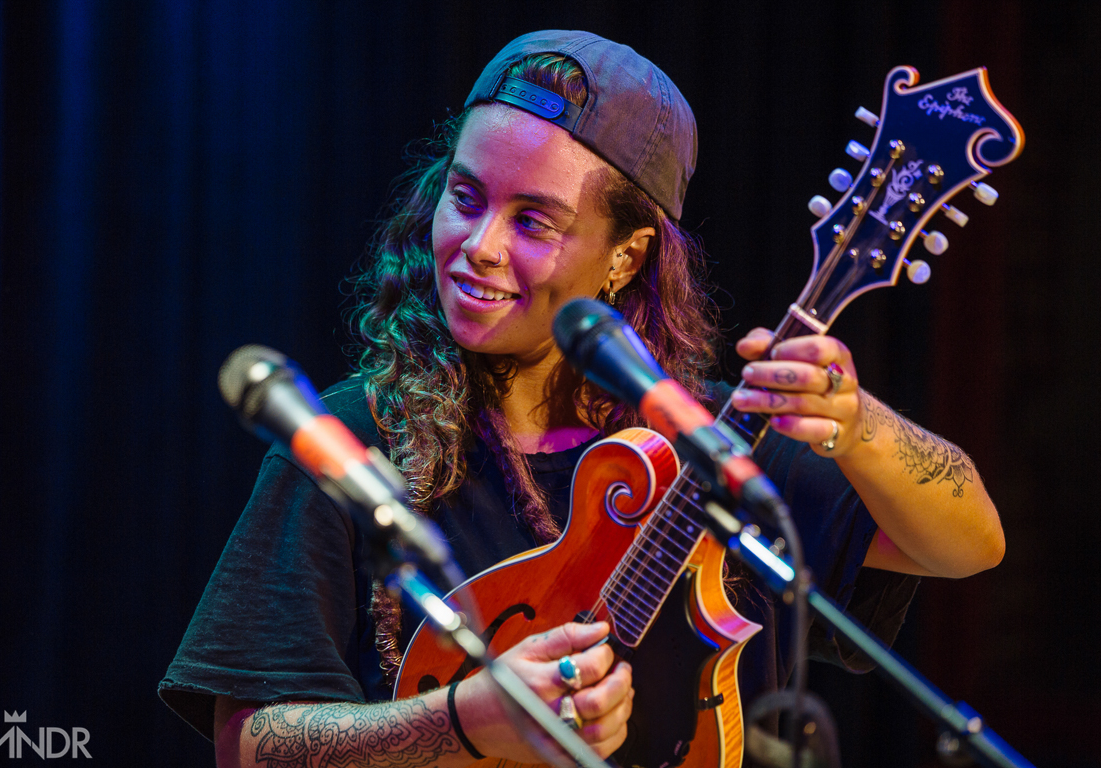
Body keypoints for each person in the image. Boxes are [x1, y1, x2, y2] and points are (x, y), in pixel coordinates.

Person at [160, 30, 1005, 768]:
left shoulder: (710, 446)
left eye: (534, 221)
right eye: (465, 197)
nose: (479, 248)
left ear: (626, 256)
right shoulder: (347, 442)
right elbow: (249, 746)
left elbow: (967, 544)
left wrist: (858, 427)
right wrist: (463, 723)